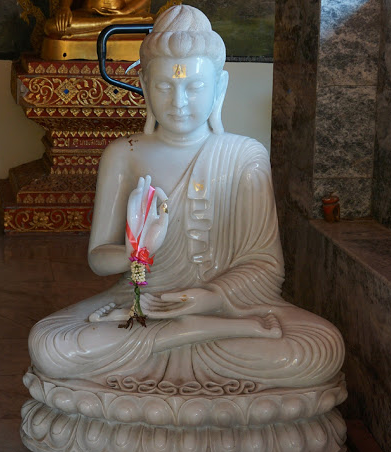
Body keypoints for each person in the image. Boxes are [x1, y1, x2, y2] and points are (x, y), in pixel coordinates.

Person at [28, 5, 344, 396]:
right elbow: (99, 258)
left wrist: (207, 297)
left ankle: (183, 337)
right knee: (53, 345)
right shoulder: (123, 154)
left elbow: (265, 266)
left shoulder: (244, 156)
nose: (178, 101)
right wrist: (136, 252)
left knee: (319, 349)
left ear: (219, 87)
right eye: (164, 86)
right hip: (141, 302)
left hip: (224, 308)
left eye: (193, 87)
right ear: (144, 85)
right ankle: (190, 337)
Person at [44, 0, 153, 39]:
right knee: (52, 26)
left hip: (122, 15)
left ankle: (111, 25)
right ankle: (112, 26)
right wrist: (64, 7)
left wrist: (126, 11)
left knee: (156, 23)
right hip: (87, 15)